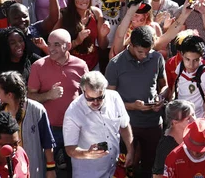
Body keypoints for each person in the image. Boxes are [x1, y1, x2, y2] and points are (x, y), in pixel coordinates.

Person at [105, 25, 166, 178]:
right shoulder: (115, 64)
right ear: (130, 44)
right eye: (141, 52)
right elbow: (109, 101)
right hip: (127, 126)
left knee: (152, 167)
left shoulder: (157, 58)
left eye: (148, 51)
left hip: (153, 124)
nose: (145, 55)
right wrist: (132, 106)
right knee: (125, 167)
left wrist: (161, 98)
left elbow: (164, 85)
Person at [27, 29, 89, 172]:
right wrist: (48, 95)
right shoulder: (38, 66)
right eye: (49, 44)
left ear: (67, 46)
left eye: (56, 45)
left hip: (74, 127)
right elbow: (29, 97)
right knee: (48, 169)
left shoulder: (81, 65)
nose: (50, 49)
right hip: (48, 129)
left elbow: (87, 95)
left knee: (75, 169)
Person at [62, 70, 133, 178]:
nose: (95, 102)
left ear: (105, 90)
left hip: (114, 168)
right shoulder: (73, 111)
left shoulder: (114, 97)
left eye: (100, 98)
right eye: (90, 98)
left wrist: (130, 151)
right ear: (83, 91)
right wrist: (87, 153)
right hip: (88, 173)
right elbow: (70, 149)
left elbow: (124, 125)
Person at [0, 71, 55, 177]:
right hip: (6, 170)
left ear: (9, 95)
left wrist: (51, 168)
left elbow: (47, 142)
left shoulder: (37, 110)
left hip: (33, 169)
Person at [165, 32, 205, 119]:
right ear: (182, 55)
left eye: (196, 60)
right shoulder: (181, 66)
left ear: (201, 56)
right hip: (180, 121)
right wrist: (172, 99)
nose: (191, 65)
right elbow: (177, 82)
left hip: (198, 123)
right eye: (188, 59)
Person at [152, 100, 196, 177]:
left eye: (193, 115)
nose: (194, 120)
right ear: (175, 122)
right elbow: (158, 175)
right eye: (188, 118)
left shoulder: (195, 133)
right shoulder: (166, 146)